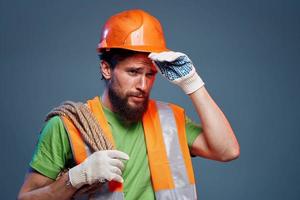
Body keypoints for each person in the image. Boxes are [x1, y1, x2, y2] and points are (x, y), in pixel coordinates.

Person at [18, 9, 240, 200]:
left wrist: (192, 83)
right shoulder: (67, 126)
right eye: (133, 72)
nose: (143, 85)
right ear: (106, 69)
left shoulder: (170, 118)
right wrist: (75, 178)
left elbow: (227, 150)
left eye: (150, 74)